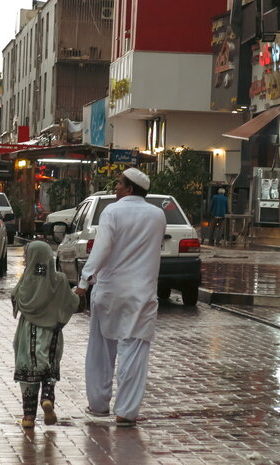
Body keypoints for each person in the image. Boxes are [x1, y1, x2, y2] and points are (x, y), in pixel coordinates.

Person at [74, 167, 166, 427]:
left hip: (110, 291)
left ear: (130, 188)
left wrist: (84, 280)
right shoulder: (158, 215)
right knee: (134, 351)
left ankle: (99, 404)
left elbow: (102, 249)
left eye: (118, 184)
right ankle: (126, 411)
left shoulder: (112, 212)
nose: (115, 188)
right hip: (142, 294)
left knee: (101, 351)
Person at [12, 241, 81, 429]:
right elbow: (72, 303)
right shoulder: (58, 280)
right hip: (52, 334)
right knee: (49, 365)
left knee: (29, 372)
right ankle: (47, 398)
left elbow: (16, 298)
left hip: (28, 333)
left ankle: (28, 418)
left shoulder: (26, 281)